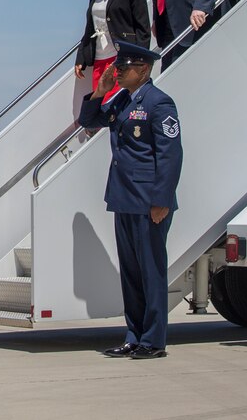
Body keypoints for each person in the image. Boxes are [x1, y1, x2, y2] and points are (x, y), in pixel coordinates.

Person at [77, 41, 183, 359]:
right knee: (131, 274)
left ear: (144, 70)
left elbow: (170, 155)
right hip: (123, 197)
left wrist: (161, 199)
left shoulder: (159, 103)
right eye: (118, 67)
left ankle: (153, 340)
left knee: (151, 272)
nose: (118, 72)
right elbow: (89, 121)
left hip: (149, 201)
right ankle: (133, 335)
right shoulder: (122, 100)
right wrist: (100, 91)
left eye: (124, 68)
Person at [74, 0, 151, 98]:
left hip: (121, 59)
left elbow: (142, 26)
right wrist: (80, 57)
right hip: (99, 61)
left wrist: (141, 60)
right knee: (100, 110)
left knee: (118, 108)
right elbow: (90, 27)